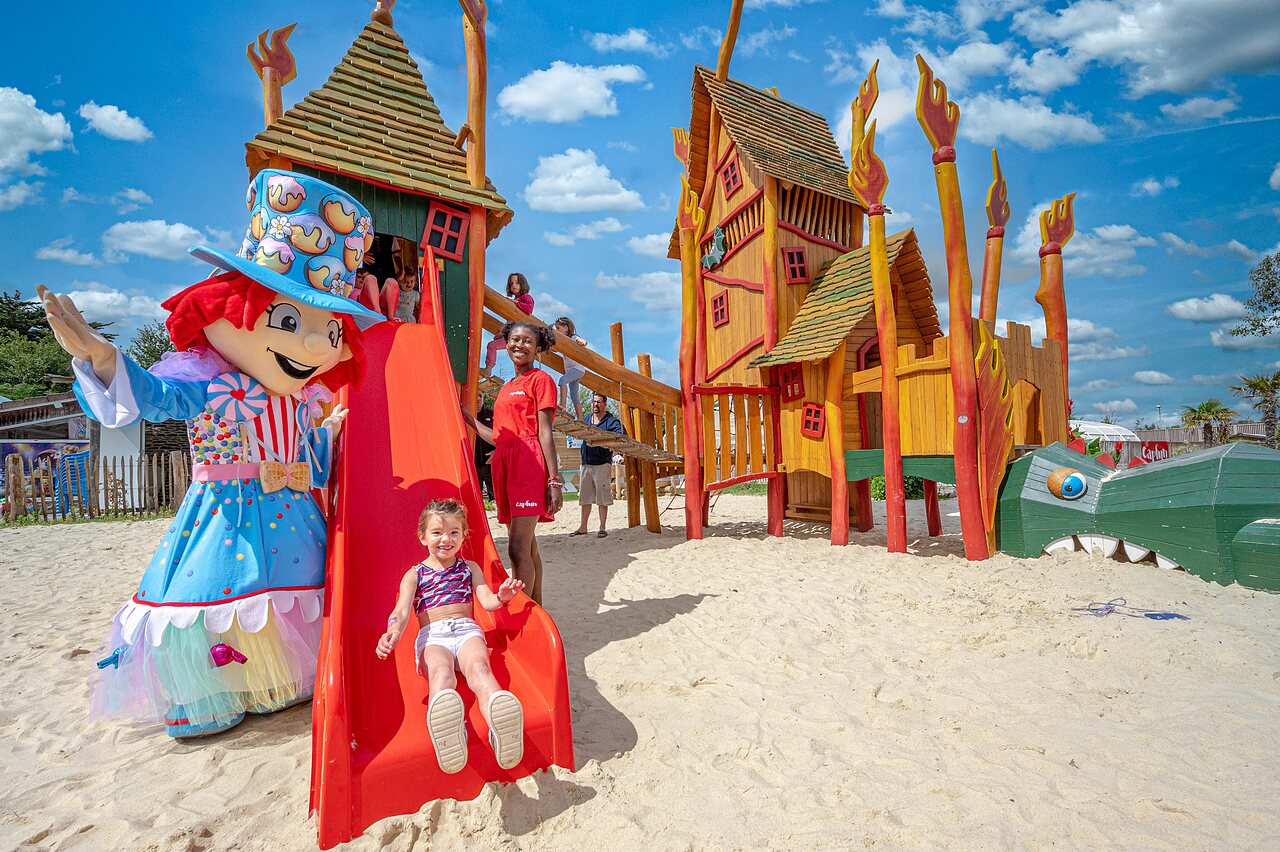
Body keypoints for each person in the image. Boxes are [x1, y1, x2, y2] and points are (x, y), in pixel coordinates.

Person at [40, 168, 384, 737]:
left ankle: (278, 682)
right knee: (218, 592)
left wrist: (329, 434)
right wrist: (105, 362)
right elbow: (157, 398)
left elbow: (314, 464)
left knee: (289, 596)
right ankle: (210, 692)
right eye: (289, 320)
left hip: (295, 513)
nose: (309, 345)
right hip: (224, 510)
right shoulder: (209, 376)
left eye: (328, 330)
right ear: (226, 308)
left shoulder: (306, 396)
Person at [375, 499, 525, 773]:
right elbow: (401, 611)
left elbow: (487, 601)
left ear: (464, 535)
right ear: (422, 537)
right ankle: (449, 733)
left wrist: (502, 597)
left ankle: (498, 723)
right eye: (437, 533)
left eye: (454, 532)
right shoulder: (414, 574)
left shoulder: (470, 568)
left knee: (479, 669)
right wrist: (392, 631)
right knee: (441, 673)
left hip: (467, 631)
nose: (446, 539)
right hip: (433, 636)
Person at [461, 320, 562, 606]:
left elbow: (545, 431)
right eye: (515, 340)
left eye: (527, 341)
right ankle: (537, 609)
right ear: (506, 344)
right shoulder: (506, 387)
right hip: (505, 463)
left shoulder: (540, 380)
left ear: (538, 348)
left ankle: (523, 612)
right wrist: (470, 420)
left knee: (517, 548)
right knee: (528, 547)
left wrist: (554, 480)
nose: (520, 345)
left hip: (529, 463)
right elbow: (499, 437)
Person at [571, 392, 625, 538]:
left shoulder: (611, 421)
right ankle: (583, 527)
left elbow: (620, 435)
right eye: (594, 401)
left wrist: (606, 441)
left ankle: (602, 527)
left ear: (604, 404)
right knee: (585, 497)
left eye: (599, 402)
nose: (596, 404)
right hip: (586, 463)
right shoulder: (587, 419)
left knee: (603, 497)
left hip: (602, 464)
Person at [481, 273, 534, 377]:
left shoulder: (525, 297)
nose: (514, 285)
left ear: (523, 284)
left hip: (518, 335)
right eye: (511, 283)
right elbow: (509, 321)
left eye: (517, 283)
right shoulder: (514, 299)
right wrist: (501, 332)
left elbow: (529, 309)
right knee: (492, 345)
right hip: (510, 335)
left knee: (518, 355)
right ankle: (488, 369)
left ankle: (525, 373)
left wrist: (516, 303)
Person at [552, 317, 588, 419]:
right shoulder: (563, 342)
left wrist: (583, 342)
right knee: (574, 396)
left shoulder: (572, 338)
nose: (557, 331)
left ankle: (562, 405)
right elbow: (554, 349)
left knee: (562, 380)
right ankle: (580, 418)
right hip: (575, 371)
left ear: (566, 328)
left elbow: (581, 341)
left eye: (558, 328)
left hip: (577, 369)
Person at [473, 406, 495, 500]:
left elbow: (502, 433)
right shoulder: (465, 415)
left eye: (481, 396)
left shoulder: (491, 414)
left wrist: (497, 450)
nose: (478, 398)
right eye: (477, 395)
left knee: (495, 493)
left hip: (490, 462)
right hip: (473, 463)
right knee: (475, 495)